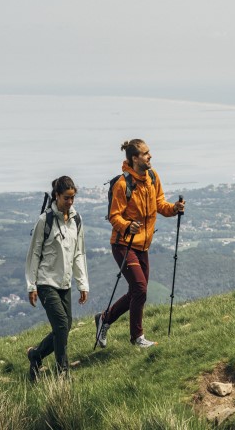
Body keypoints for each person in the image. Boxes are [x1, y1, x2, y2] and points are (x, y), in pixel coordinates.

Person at [95, 139, 186, 348]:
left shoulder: (152, 177)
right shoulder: (123, 184)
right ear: (135, 158)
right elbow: (114, 216)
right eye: (146, 154)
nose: (150, 156)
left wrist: (174, 208)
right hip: (123, 245)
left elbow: (160, 204)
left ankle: (104, 319)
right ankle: (137, 338)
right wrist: (128, 226)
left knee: (136, 291)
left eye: (149, 152)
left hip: (143, 246)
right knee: (140, 289)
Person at [25, 176, 89, 381]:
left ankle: (36, 355)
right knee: (61, 324)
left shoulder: (77, 220)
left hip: (65, 283)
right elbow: (34, 253)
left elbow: (78, 253)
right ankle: (63, 372)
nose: (70, 202)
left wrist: (82, 283)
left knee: (65, 326)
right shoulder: (45, 220)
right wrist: (31, 285)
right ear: (56, 196)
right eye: (66, 198)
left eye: (72, 198)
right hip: (46, 282)